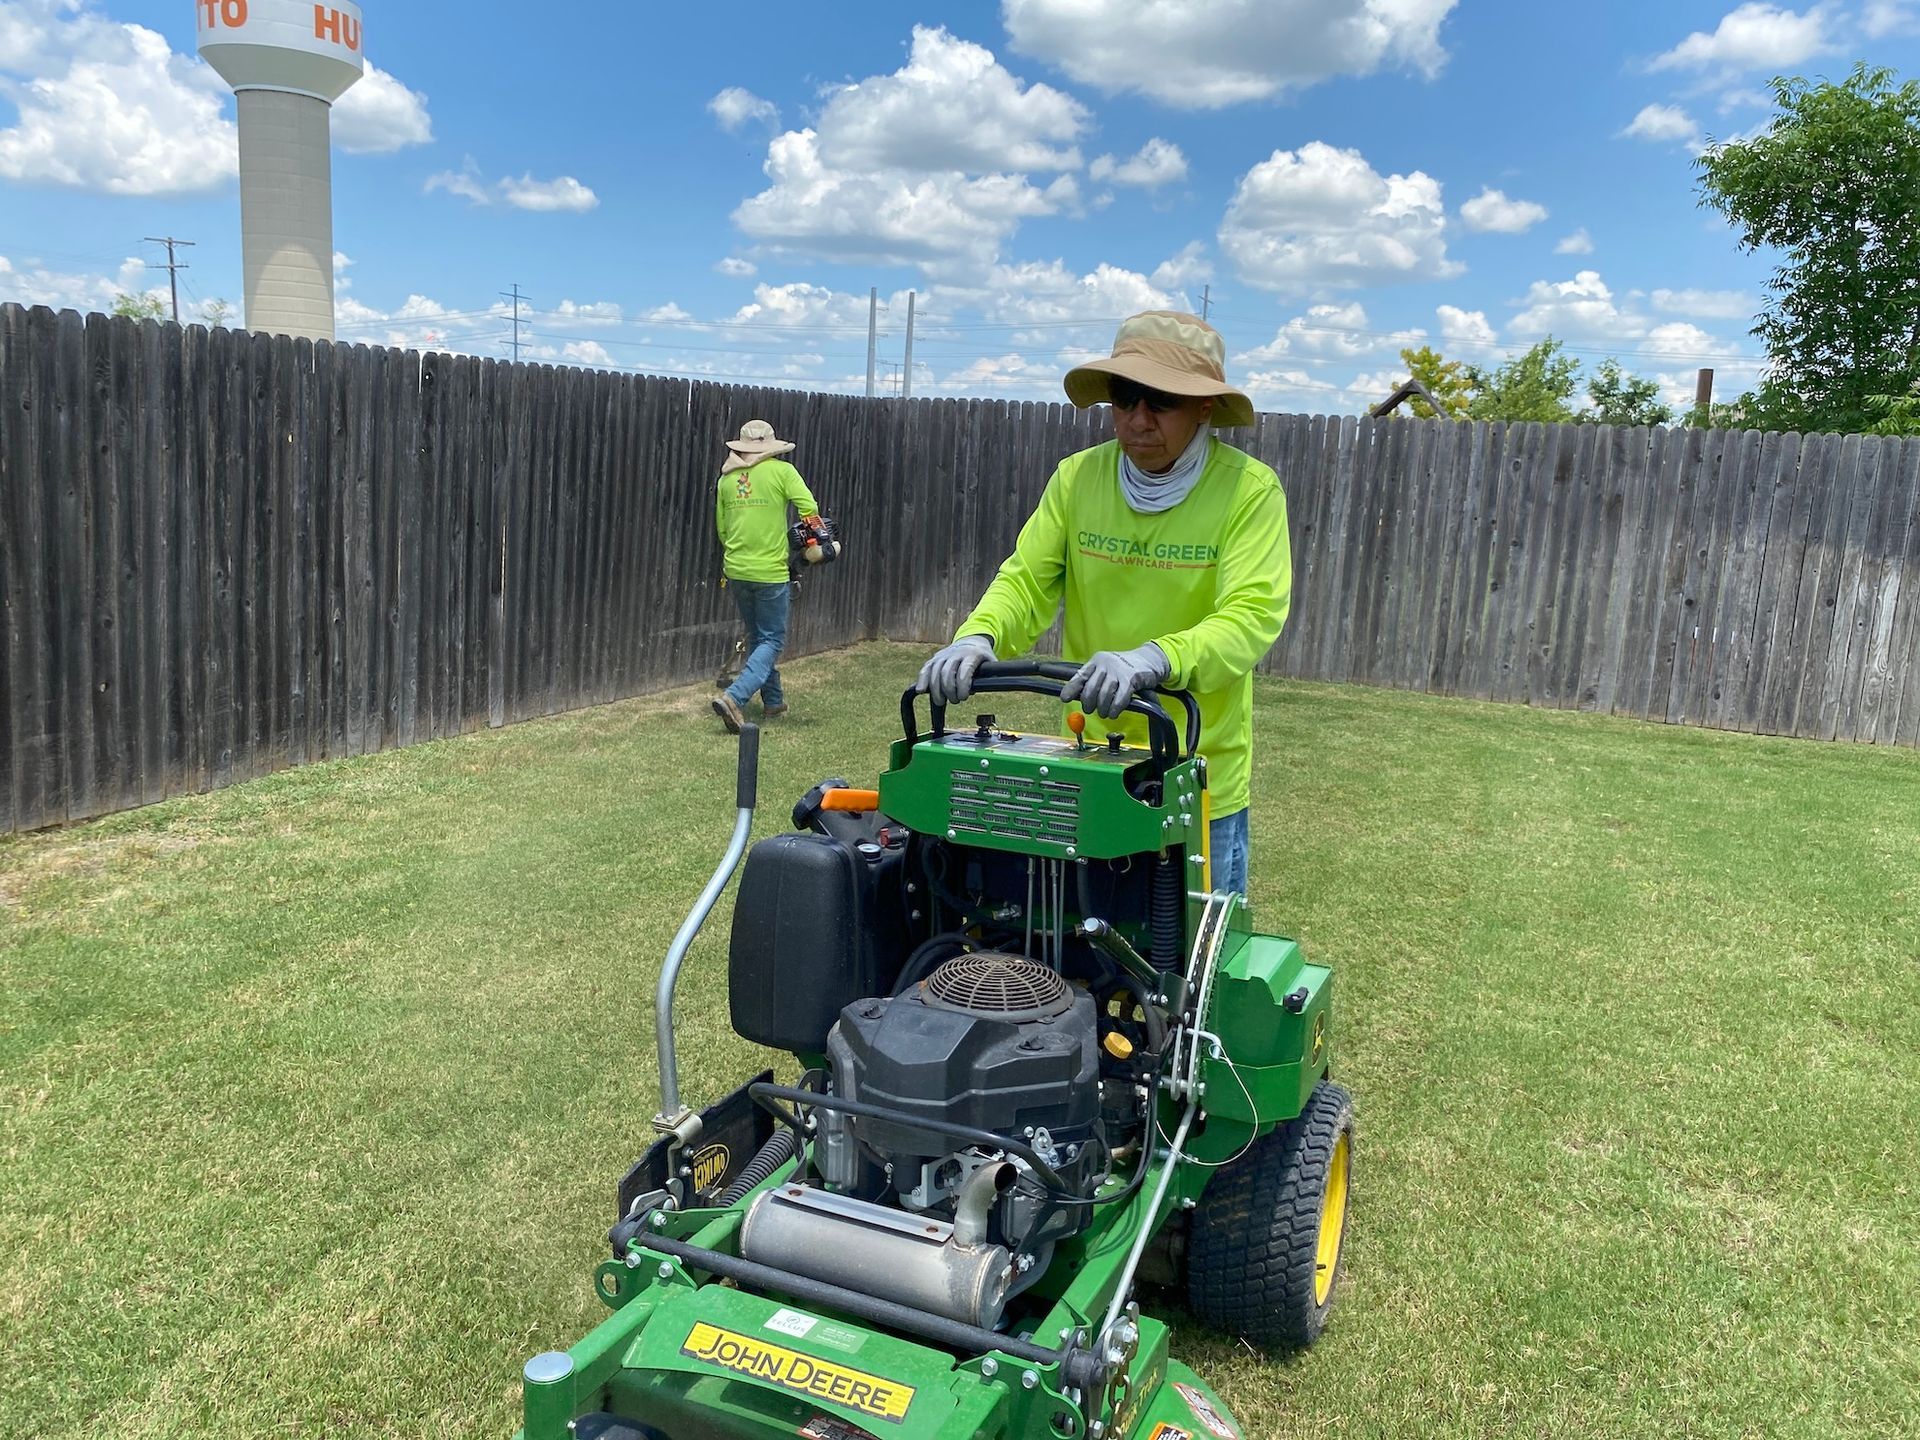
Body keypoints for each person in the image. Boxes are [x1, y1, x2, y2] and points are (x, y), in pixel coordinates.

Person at [915, 311, 1290, 897]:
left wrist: (1155, 658)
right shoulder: (1077, 479)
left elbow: (1250, 617)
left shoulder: (1249, 491)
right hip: (1090, 767)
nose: (1139, 419)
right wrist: (979, 636)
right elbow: (1026, 581)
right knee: (1076, 953)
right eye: (1125, 397)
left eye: (1161, 400)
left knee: (1192, 975)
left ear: (1205, 407)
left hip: (1197, 774)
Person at [712, 419, 819, 732]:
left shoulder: (726, 480)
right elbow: (808, 507)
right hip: (770, 572)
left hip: (736, 570)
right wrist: (812, 541)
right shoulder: (782, 472)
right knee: (772, 640)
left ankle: (774, 701)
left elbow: (722, 528)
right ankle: (735, 697)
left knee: (759, 637)